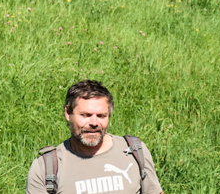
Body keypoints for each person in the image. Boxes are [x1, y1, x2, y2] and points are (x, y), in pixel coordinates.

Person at [25, 80, 163, 194]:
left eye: (101, 116)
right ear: (68, 113)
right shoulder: (46, 168)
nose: (94, 123)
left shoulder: (135, 151)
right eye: (85, 115)